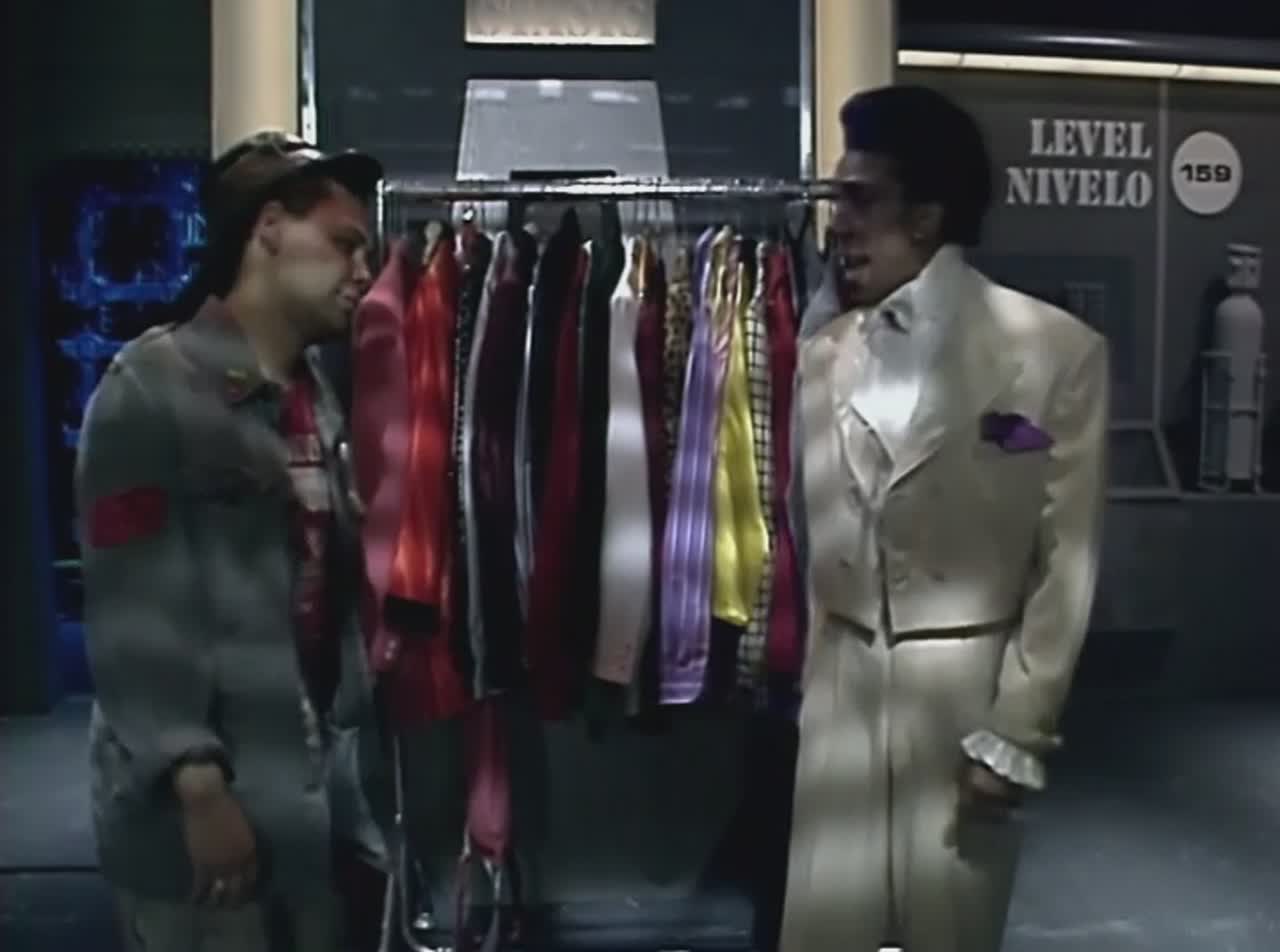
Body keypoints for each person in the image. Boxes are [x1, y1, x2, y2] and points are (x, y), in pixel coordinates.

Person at [781, 85, 1109, 952]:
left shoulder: (1055, 352)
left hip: (967, 690)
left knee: (952, 930)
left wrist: (1017, 729)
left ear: (925, 217)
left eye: (861, 200)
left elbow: (1066, 561)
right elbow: (811, 531)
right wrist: (816, 686)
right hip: (842, 688)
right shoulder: (821, 357)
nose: (838, 224)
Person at [76, 130, 390, 952]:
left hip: (309, 804)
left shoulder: (311, 397)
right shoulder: (150, 389)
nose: (364, 272)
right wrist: (198, 787)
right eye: (345, 244)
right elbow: (132, 615)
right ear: (269, 229)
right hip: (203, 833)